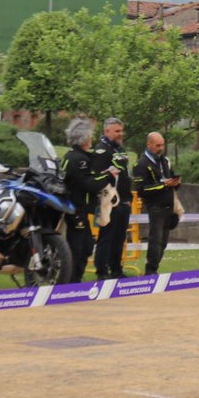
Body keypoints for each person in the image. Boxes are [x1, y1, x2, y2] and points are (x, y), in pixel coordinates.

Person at [59, 118, 102, 281]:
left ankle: (75, 279)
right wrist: (107, 176)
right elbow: (89, 184)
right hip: (77, 208)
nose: (91, 139)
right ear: (83, 139)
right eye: (90, 136)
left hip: (76, 208)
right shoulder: (79, 160)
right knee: (78, 248)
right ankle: (72, 282)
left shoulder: (71, 156)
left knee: (86, 245)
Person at [90, 117, 133, 278]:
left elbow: (125, 174)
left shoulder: (119, 149)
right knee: (106, 237)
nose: (121, 134)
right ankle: (101, 271)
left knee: (119, 237)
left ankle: (116, 269)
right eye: (117, 131)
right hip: (109, 201)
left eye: (121, 130)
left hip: (123, 200)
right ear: (106, 131)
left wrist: (128, 198)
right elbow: (99, 177)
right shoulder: (101, 151)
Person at [135, 131, 182, 274]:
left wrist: (176, 182)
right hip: (155, 207)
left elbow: (170, 178)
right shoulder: (141, 164)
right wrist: (163, 185)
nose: (161, 148)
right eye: (157, 145)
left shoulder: (165, 160)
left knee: (163, 242)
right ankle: (150, 272)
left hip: (168, 206)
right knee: (155, 240)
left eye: (162, 145)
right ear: (149, 145)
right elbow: (141, 189)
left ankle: (154, 269)